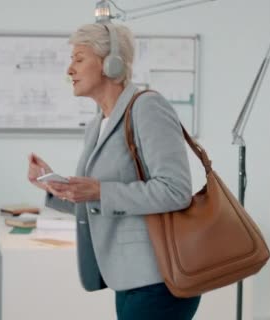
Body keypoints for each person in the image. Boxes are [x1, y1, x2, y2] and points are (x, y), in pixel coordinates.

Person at [27, 23, 200, 320]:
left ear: (111, 63)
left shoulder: (147, 107)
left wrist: (99, 190)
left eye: (79, 59)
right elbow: (100, 203)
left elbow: (176, 191)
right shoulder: (98, 124)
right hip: (127, 278)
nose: (70, 69)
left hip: (160, 278)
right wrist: (57, 188)